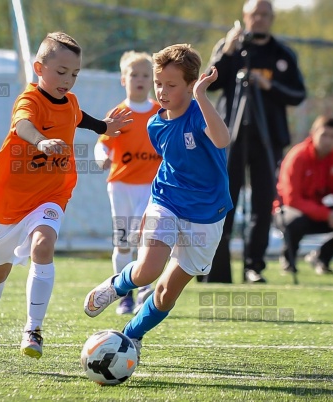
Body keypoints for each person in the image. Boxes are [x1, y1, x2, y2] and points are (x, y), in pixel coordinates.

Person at [0, 32, 132, 366]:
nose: (68, 80)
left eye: (74, 74)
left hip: (52, 193)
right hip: (11, 200)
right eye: (61, 72)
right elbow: (23, 124)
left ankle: (33, 329)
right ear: (39, 68)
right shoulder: (28, 100)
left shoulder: (69, 102)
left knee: (44, 244)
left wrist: (104, 126)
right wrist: (41, 142)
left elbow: (77, 116)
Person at [83, 43, 232, 360]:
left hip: (208, 215)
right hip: (166, 200)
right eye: (158, 83)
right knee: (148, 269)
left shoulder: (200, 113)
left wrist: (203, 97)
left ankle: (132, 335)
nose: (162, 91)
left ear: (191, 85)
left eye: (171, 85)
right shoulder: (155, 124)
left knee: (165, 293)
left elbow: (222, 139)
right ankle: (117, 287)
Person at [203, 0, 306, 284]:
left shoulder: (281, 53)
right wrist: (227, 51)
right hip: (229, 137)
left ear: (271, 18)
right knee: (224, 200)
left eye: (264, 14)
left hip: (267, 137)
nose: (259, 19)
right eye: (254, 14)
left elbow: (298, 94)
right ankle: (214, 266)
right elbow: (209, 84)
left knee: (262, 204)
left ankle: (254, 266)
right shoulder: (231, 47)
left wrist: (269, 85)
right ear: (244, 17)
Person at [94, 50, 161, 315]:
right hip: (121, 187)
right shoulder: (119, 113)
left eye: (146, 75)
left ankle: (145, 289)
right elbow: (103, 144)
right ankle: (124, 295)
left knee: (146, 238)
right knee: (123, 241)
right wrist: (101, 158)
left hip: (152, 187)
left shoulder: (161, 112)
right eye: (134, 75)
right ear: (124, 79)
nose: (140, 79)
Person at [273, 115, 333, 275]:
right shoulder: (298, 156)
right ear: (313, 133)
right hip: (287, 212)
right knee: (295, 220)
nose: (328, 141)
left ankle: (322, 257)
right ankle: (288, 260)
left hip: (319, 214)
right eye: (324, 135)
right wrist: (327, 214)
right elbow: (292, 199)